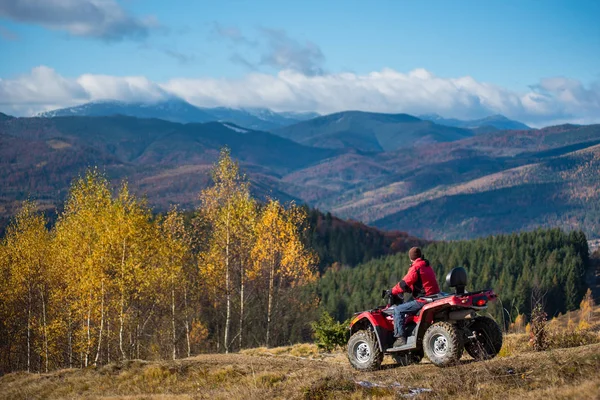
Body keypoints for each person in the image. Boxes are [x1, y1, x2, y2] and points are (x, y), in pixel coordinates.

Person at [390, 247, 440, 347]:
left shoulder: (416, 267)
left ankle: (400, 338)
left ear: (411, 258)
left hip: (423, 300)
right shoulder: (426, 265)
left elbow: (404, 283)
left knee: (398, 310)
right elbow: (422, 283)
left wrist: (392, 291)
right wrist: (410, 289)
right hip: (434, 296)